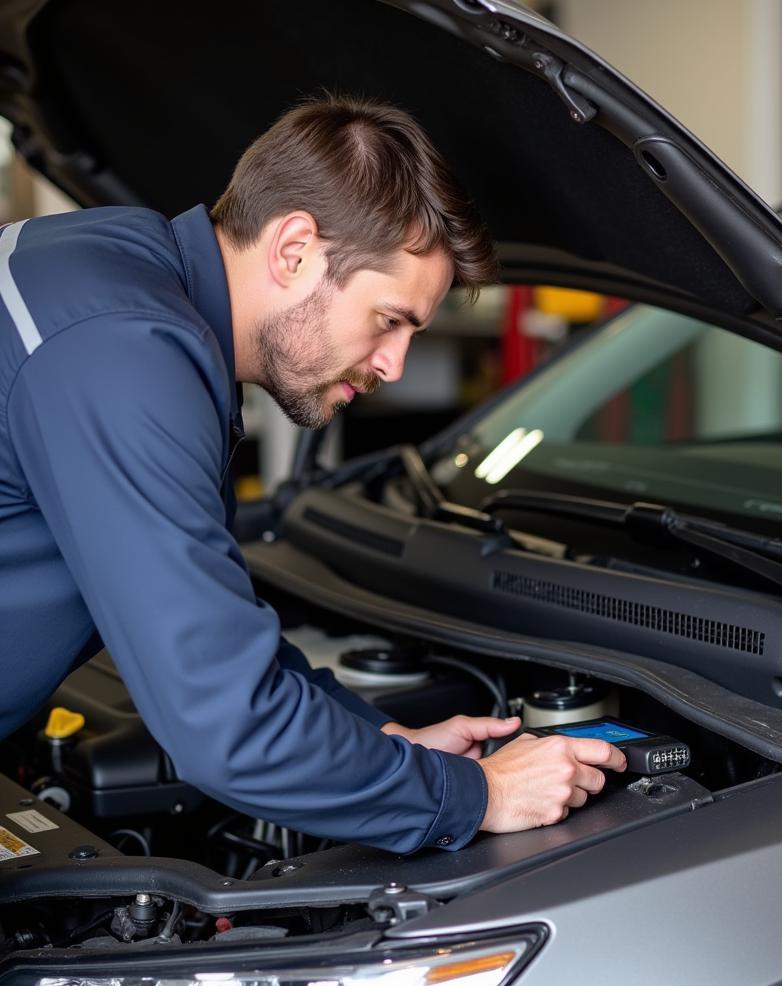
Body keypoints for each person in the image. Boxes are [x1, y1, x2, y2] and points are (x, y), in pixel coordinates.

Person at [0, 94, 624, 854]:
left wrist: (385, 739)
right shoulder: (121, 354)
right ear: (294, 249)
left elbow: (207, 627)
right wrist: (477, 793)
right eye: (389, 319)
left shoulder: (110, 265)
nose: (393, 365)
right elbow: (228, 726)